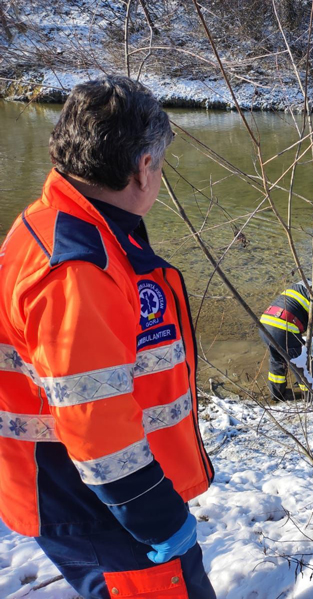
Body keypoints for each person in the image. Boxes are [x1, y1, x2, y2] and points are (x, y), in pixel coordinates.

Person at [0, 76, 215, 598]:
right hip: (103, 507)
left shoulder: (56, 222)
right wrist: (158, 519)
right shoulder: (78, 269)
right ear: (143, 166)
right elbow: (96, 425)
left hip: (86, 492)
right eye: (159, 167)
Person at [259, 269, 313, 400]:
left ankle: (276, 395)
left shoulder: (301, 284)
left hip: (265, 323)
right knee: (304, 364)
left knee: (277, 360)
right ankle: (311, 396)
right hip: (284, 328)